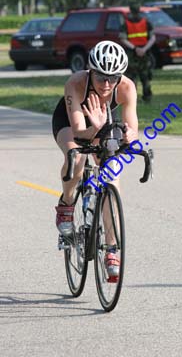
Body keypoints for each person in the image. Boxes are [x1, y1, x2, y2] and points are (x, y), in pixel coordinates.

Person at [52, 40, 138, 279]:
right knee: (77, 159)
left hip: (103, 123)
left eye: (114, 78)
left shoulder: (127, 87)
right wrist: (97, 128)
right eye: (101, 77)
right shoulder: (77, 83)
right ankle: (66, 206)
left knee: (112, 176)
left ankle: (112, 249)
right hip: (72, 123)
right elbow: (80, 133)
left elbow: (133, 127)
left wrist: (130, 135)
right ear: (91, 71)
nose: (107, 84)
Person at [120, 2, 156, 102]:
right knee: (145, 76)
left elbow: (123, 39)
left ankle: (132, 97)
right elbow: (152, 38)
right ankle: (147, 97)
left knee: (131, 77)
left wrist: (135, 49)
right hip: (145, 53)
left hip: (131, 53)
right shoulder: (146, 22)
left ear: (130, 10)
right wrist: (144, 49)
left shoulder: (125, 24)